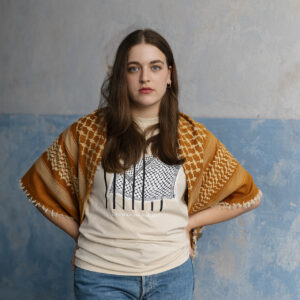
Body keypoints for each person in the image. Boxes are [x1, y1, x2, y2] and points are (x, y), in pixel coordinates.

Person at [20, 28, 262, 300]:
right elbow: (38, 186)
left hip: (171, 274)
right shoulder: (87, 132)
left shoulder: (193, 137)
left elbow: (248, 197)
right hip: (100, 276)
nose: (145, 77)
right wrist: (81, 236)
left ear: (169, 75)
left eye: (155, 67)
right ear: (122, 77)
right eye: (133, 68)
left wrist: (190, 223)